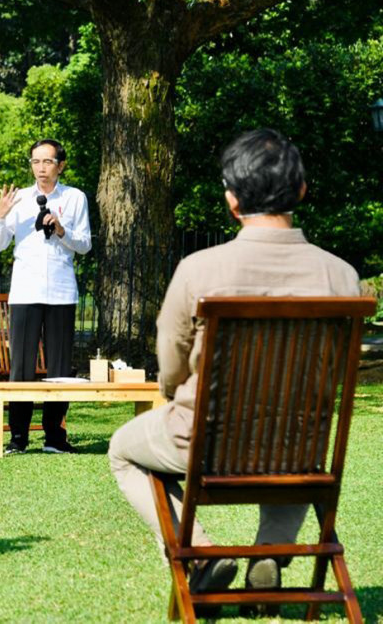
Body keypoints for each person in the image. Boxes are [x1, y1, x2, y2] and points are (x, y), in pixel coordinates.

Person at [107, 129, 360, 605]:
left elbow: (171, 361)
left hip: (205, 441)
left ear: (231, 199)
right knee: (288, 440)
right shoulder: (341, 276)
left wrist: (171, 389)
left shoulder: (201, 269)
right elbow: (336, 375)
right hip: (298, 448)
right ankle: (270, 550)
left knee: (122, 449)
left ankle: (200, 552)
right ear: (301, 191)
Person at [0, 139, 92, 454]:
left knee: (59, 368)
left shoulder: (75, 198)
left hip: (61, 292)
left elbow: (85, 244)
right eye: (35, 162)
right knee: (21, 367)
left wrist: (61, 230)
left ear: (60, 165)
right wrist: (1, 216)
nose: (41, 168)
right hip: (25, 291)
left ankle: (54, 438)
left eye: (47, 162)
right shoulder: (17, 199)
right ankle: (18, 438)